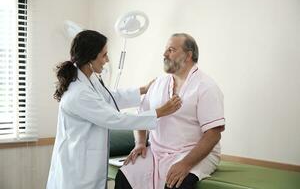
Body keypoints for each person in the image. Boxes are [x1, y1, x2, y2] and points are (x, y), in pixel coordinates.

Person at [46, 30, 182, 189]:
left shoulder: (88, 80)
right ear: (90, 57)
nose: (107, 60)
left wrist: (143, 89)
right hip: (77, 167)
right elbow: (115, 119)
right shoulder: (79, 93)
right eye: (104, 55)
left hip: (86, 161)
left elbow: (109, 98)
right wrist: (160, 112)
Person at [115, 33, 225, 189]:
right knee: (125, 177)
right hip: (156, 152)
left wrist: (185, 164)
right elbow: (141, 117)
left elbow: (213, 134)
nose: (165, 54)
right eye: (166, 50)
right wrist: (140, 143)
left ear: (188, 55)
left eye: (171, 50)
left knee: (176, 183)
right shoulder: (158, 83)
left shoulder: (206, 86)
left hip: (192, 153)